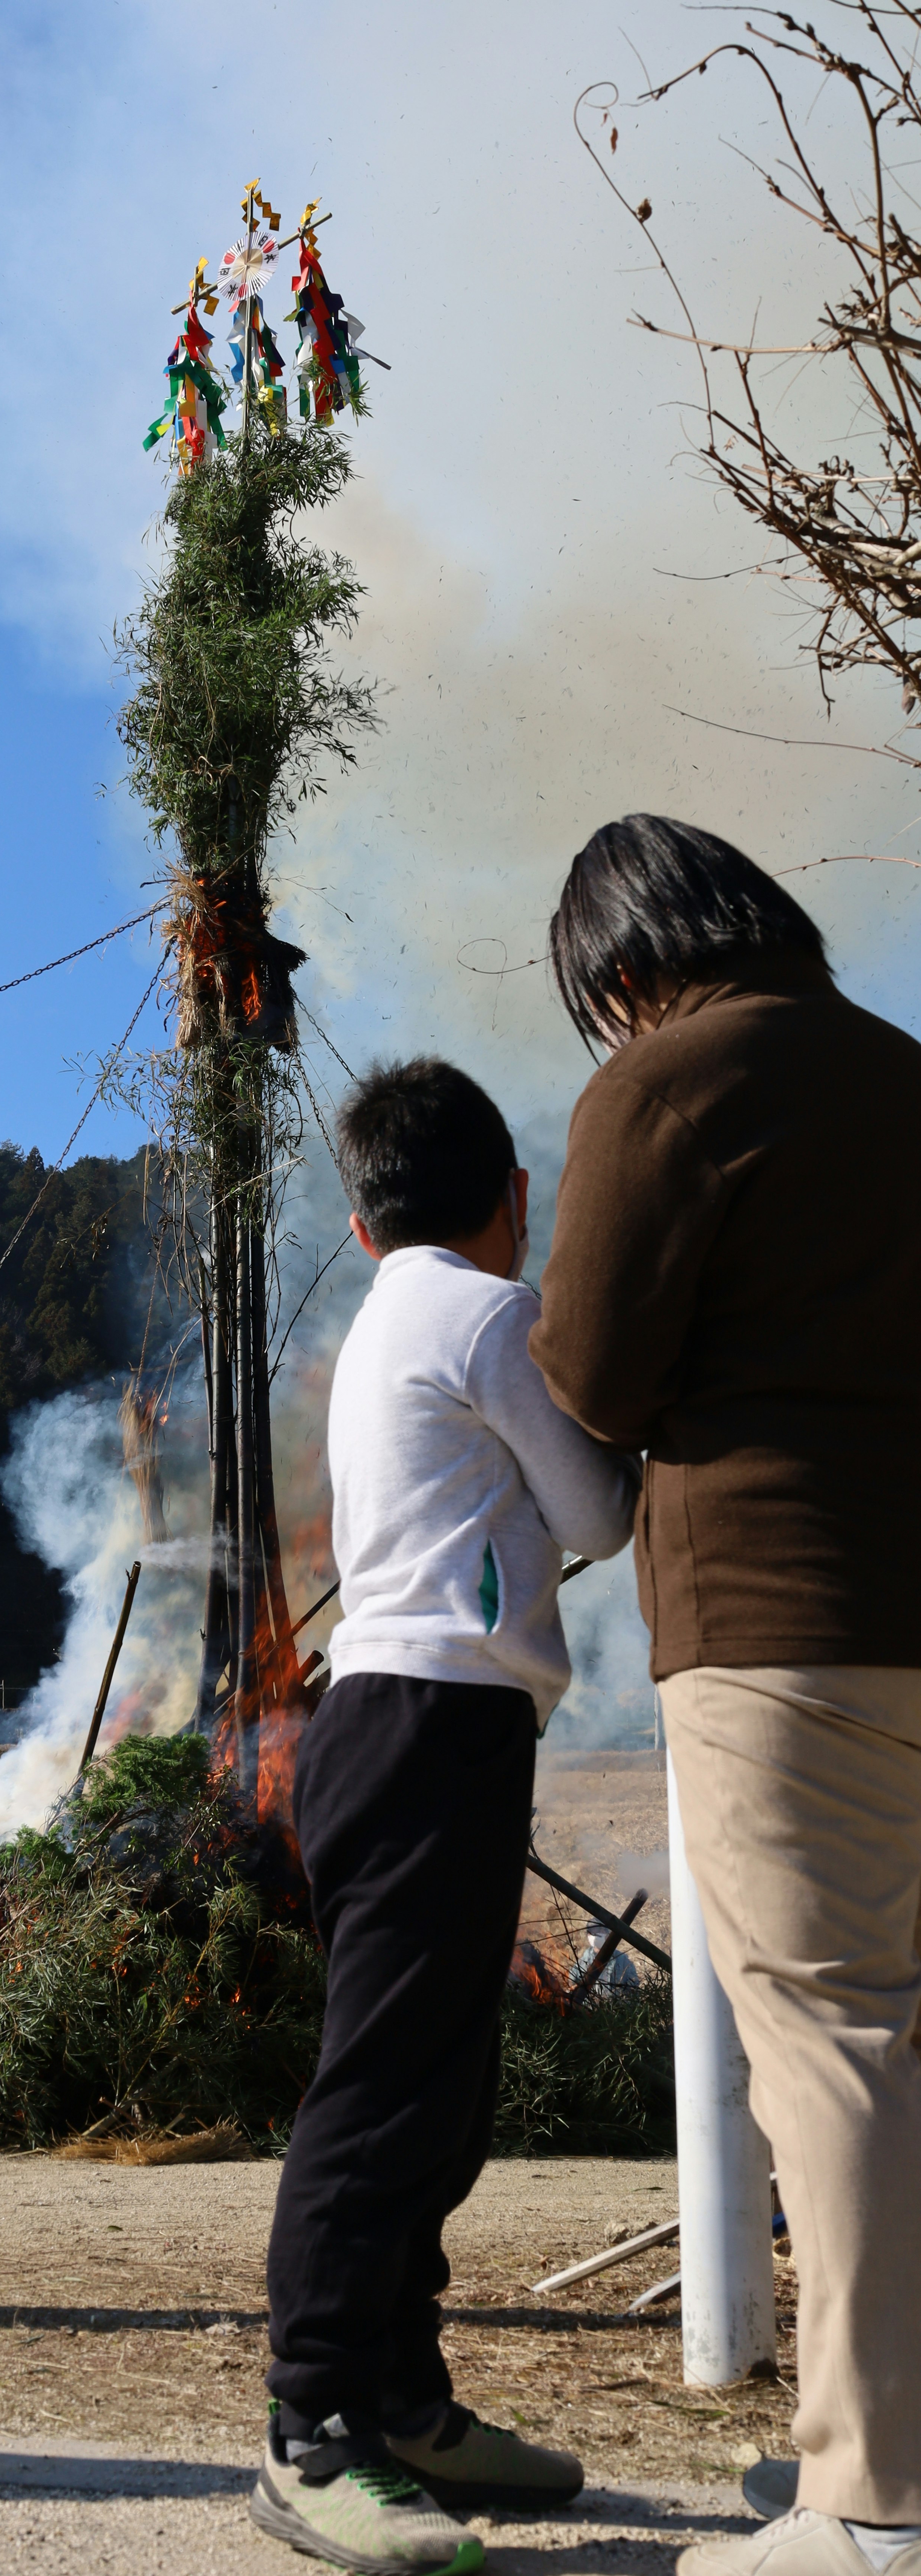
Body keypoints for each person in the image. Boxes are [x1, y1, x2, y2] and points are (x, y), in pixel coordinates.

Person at [530, 814, 921, 2576]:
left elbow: (596, 1371)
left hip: (779, 1618)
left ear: (622, 971)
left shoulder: (667, 1079)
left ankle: (874, 2500)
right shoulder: (901, 1071)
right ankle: (872, 2438)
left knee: (836, 2039)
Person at [252, 1057, 639, 2575]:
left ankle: (403, 2397)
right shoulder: (487, 1311)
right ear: (516, 1196)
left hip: (395, 1724)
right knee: (383, 2091)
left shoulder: (379, 1319)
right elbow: (601, 1511)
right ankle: (310, 2430)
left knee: (435, 2081)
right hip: (428, 1725)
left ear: (360, 1224)